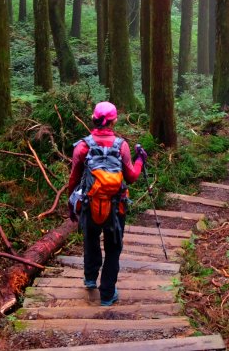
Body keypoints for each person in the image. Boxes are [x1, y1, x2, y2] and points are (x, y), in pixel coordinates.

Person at [66, 101, 147, 306]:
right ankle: (108, 294)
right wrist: (140, 161)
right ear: (114, 121)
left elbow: (74, 180)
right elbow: (131, 177)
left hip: (89, 204)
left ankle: (90, 278)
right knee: (113, 248)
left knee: (91, 239)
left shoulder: (83, 146)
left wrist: (70, 203)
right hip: (115, 207)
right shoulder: (122, 146)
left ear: (93, 118)